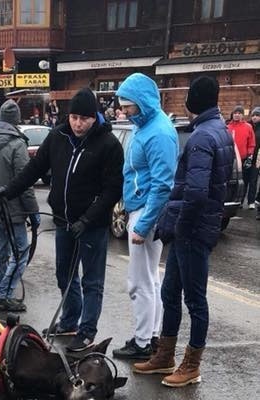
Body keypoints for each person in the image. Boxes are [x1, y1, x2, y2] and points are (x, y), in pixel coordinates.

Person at [0, 88, 123, 349]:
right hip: (63, 220)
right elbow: (35, 168)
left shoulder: (108, 144)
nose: (77, 123)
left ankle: (87, 331)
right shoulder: (57, 137)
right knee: (64, 274)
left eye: (84, 119)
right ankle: (70, 320)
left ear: (94, 117)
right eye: (74, 117)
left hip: (91, 225)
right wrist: (9, 191)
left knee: (92, 280)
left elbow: (112, 190)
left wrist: (87, 219)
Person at [134, 75, 234, 387]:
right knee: (170, 291)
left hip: (191, 230)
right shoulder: (217, 130)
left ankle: (191, 365)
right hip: (192, 228)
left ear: (194, 100)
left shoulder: (203, 136)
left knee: (194, 298)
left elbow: (197, 192)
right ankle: (165, 356)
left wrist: (180, 225)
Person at [111, 74, 179, 361]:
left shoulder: (158, 132)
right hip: (142, 208)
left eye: (129, 106)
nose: (124, 111)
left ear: (142, 103)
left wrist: (142, 223)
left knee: (139, 280)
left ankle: (142, 341)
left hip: (146, 212)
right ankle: (149, 336)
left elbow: (163, 184)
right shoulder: (149, 125)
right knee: (150, 278)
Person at [0, 100, 39, 312]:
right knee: (21, 251)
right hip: (13, 209)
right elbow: (25, 183)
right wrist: (33, 213)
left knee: (0, 253)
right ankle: (4, 294)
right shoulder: (17, 144)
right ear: (16, 120)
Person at [227, 106, 255, 203]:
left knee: (242, 180)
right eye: (235, 113)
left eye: (239, 113)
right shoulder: (227, 127)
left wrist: (249, 155)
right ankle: (230, 198)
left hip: (243, 159)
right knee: (230, 180)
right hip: (229, 159)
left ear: (242, 115)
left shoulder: (248, 127)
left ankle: (240, 200)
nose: (237, 115)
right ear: (232, 114)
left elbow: (251, 143)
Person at [246, 106, 260, 210]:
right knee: (245, 179)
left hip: (257, 158)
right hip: (247, 157)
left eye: (257, 115)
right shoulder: (247, 126)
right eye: (253, 115)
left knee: (253, 180)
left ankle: (251, 201)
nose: (255, 117)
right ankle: (241, 200)